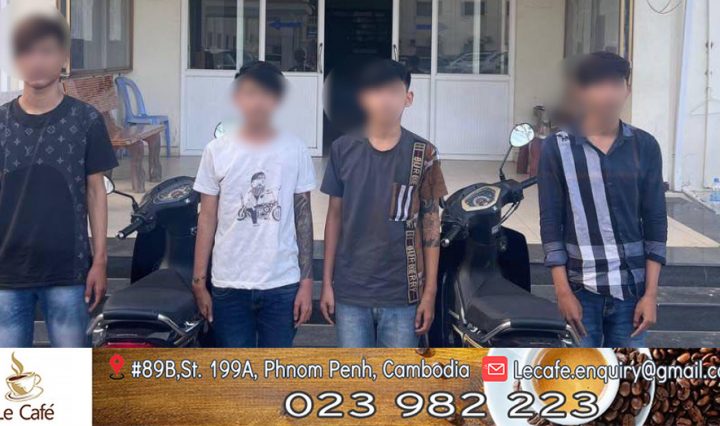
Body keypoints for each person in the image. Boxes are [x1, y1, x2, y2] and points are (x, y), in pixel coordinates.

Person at [0, 13, 118, 347]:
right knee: (12, 374)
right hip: (7, 270)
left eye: (46, 51)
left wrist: (100, 260)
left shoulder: (86, 120)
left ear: (63, 57)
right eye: (27, 52)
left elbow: (96, 193)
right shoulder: (2, 123)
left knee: (71, 370)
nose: (36, 61)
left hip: (68, 270)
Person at [538, 51, 667, 347]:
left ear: (627, 90)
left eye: (616, 84)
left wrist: (650, 294)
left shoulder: (644, 146)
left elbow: (656, 221)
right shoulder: (557, 148)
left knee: (628, 372)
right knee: (582, 374)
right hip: (581, 291)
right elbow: (551, 223)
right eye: (599, 84)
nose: (608, 94)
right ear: (581, 92)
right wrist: (562, 292)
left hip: (632, 292)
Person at [319, 59, 447, 348]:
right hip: (351, 292)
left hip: (403, 295)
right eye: (376, 91)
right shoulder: (342, 149)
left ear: (408, 98)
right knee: (356, 374)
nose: (385, 100)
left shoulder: (424, 153)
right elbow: (334, 218)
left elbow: (431, 226)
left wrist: (429, 293)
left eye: (393, 91)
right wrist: (326, 283)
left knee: (397, 375)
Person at [192, 61, 315, 348]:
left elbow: (304, 218)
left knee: (274, 370)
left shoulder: (295, 149)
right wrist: (199, 281)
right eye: (250, 92)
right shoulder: (216, 151)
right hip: (229, 284)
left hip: (281, 283)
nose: (258, 101)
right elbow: (206, 218)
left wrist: (307, 283)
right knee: (236, 370)